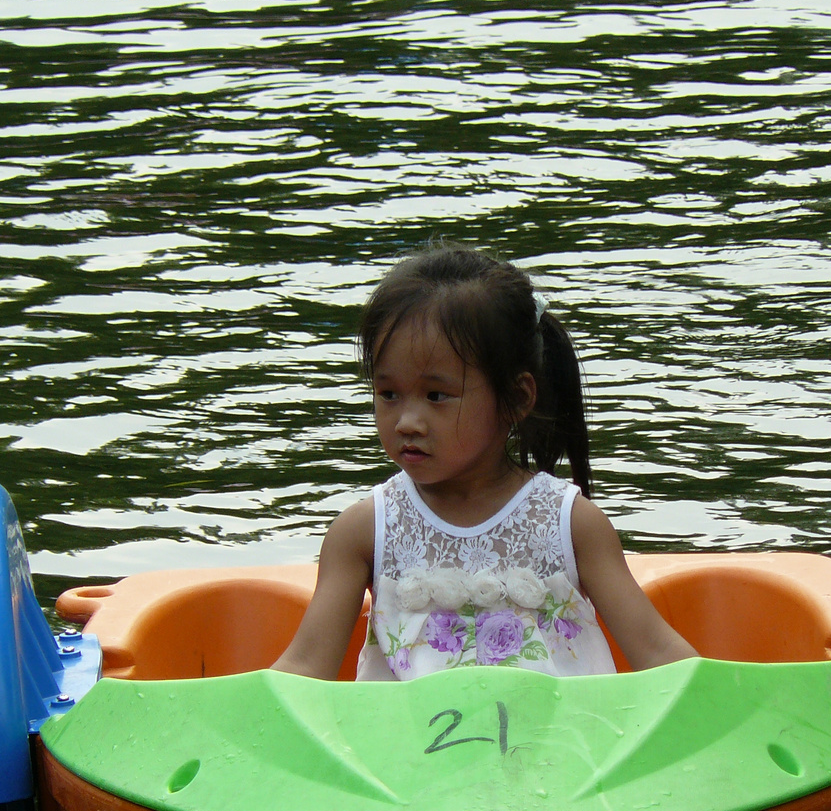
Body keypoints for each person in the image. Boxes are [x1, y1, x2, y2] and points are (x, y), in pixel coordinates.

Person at [273, 245, 698, 681]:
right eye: (388, 394)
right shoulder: (363, 532)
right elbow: (306, 666)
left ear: (516, 398)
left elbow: (657, 650)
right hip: (410, 748)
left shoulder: (569, 524)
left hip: (559, 745)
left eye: (436, 396)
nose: (407, 421)